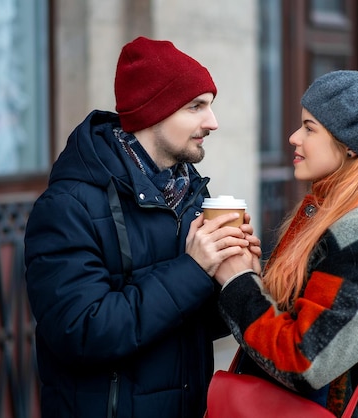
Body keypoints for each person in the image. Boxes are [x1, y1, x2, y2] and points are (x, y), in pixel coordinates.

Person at [24, 36, 259, 418]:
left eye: (210, 106)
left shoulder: (188, 194)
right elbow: (81, 331)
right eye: (196, 107)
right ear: (154, 113)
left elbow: (190, 325)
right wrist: (194, 268)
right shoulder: (67, 207)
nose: (212, 122)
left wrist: (238, 278)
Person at [212, 70, 358, 417]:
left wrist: (238, 285)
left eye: (310, 128)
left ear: (350, 143)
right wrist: (252, 274)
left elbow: (305, 361)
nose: (294, 137)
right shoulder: (328, 207)